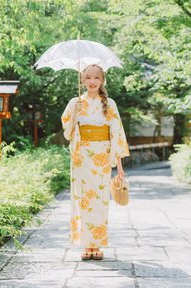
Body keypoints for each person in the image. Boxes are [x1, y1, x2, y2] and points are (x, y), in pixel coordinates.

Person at [61, 64, 130, 260]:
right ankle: (85, 245)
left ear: (102, 81)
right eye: (88, 78)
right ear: (82, 80)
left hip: (101, 155)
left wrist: (120, 166)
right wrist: (75, 112)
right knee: (82, 199)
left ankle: (97, 245)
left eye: (96, 78)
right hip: (81, 156)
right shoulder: (75, 102)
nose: (92, 81)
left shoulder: (110, 104)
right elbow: (68, 133)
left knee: (99, 201)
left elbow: (116, 135)